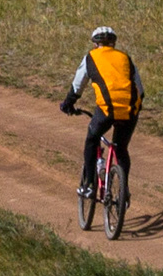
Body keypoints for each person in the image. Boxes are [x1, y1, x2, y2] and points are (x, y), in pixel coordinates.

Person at [60, 26, 144, 198]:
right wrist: (134, 108)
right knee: (121, 148)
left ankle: (90, 186)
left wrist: (68, 104)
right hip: (129, 110)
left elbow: (78, 85)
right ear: (113, 43)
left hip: (107, 110)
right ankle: (123, 190)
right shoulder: (125, 58)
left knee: (92, 139)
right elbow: (140, 90)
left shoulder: (91, 57)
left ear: (95, 44)